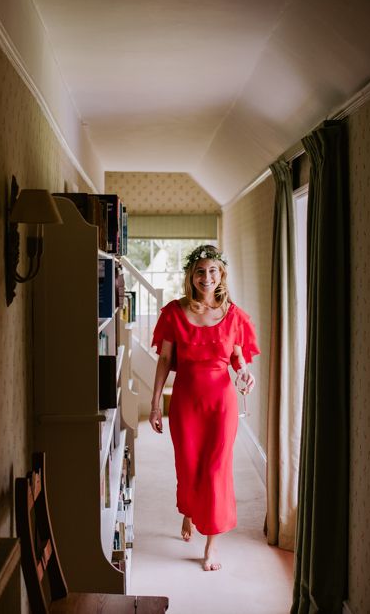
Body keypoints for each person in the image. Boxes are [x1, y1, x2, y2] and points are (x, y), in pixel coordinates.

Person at [150, 244, 259, 571]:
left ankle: (211, 543)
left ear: (221, 274)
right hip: (185, 402)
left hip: (220, 404)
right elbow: (166, 359)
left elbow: (237, 357)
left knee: (215, 471)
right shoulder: (173, 312)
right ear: (191, 276)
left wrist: (244, 373)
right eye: (200, 271)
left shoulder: (234, 315)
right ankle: (190, 512)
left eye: (213, 270)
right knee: (189, 466)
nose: (207, 277)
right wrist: (155, 404)